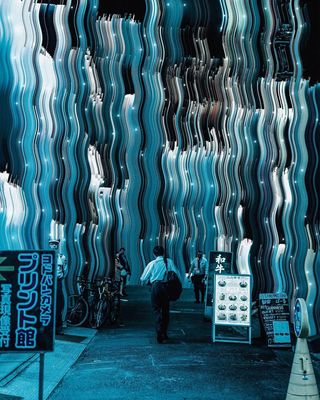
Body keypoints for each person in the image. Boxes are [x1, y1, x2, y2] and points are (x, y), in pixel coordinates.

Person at [140, 245, 181, 344]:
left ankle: (159, 330)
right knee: (165, 310)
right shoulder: (169, 262)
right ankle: (164, 333)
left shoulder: (152, 263)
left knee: (156, 310)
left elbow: (143, 278)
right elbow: (176, 274)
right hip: (166, 287)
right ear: (163, 253)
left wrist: (150, 280)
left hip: (155, 287)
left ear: (154, 254)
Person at [49, 239, 68, 335]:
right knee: (48, 305)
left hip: (57, 282)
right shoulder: (45, 257)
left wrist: (60, 278)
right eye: (52, 244)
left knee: (58, 304)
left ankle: (58, 327)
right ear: (49, 245)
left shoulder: (62, 257)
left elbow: (65, 270)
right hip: (48, 282)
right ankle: (48, 328)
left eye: (56, 244)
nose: (54, 246)